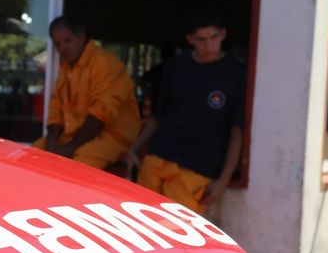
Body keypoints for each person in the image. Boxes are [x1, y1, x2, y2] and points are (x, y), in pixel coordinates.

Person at [125, 12, 246, 213]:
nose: (209, 45)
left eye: (214, 37)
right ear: (190, 39)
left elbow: (236, 133)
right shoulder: (175, 67)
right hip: (158, 158)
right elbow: (158, 117)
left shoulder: (236, 73)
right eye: (201, 39)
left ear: (223, 34)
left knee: (174, 229)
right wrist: (134, 149)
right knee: (139, 224)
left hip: (196, 169)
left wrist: (223, 180)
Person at [33, 16, 141, 169]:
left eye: (67, 41)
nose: (62, 48)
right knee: (32, 156)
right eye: (58, 44)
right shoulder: (66, 66)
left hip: (111, 137)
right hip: (72, 136)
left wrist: (70, 148)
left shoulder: (105, 64)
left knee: (75, 169)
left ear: (82, 37)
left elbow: (100, 115)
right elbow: (56, 107)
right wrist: (51, 141)